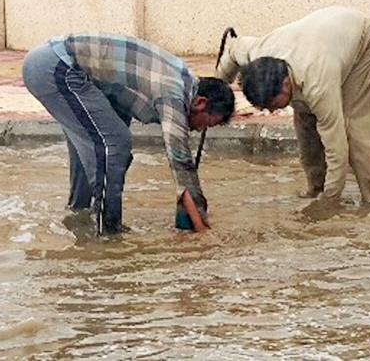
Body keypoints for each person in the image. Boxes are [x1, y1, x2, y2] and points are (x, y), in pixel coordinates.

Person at [22, 33, 236, 236]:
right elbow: (181, 164)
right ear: (200, 103)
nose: (198, 130)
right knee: (114, 145)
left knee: (95, 151)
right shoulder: (174, 93)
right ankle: (108, 234)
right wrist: (203, 235)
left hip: (57, 64)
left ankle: (79, 218)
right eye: (206, 124)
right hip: (57, 67)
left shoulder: (184, 77)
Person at [214, 7, 370, 212]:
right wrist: (214, 93)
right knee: (307, 130)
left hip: (366, 49)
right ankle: (316, 189)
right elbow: (232, 49)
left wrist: (330, 202)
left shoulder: (317, 82)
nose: (270, 113)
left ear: (286, 84)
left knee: (364, 135)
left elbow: (336, 148)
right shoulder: (257, 53)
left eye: (273, 106)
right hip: (324, 44)